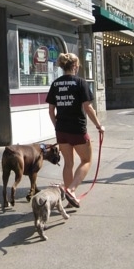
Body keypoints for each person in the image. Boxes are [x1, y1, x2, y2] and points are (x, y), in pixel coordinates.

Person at [46, 52, 104, 208]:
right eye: (78, 65)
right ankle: (71, 190)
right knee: (86, 160)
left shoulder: (55, 84)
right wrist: (99, 125)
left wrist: (56, 125)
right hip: (77, 129)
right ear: (75, 66)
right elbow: (88, 107)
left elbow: (51, 110)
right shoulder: (80, 82)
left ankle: (70, 199)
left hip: (61, 130)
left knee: (68, 163)